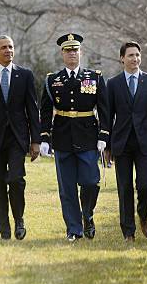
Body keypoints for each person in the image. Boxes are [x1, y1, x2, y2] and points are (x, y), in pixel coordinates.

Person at [40, 33, 109, 242]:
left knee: (91, 182)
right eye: (68, 50)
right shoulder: (53, 80)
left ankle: (87, 215)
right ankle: (74, 229)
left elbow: (104, 108)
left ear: (81, 52)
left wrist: (104, 135)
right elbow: (45, 110)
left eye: (75, 50)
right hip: (62, 138)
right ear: (62, 53)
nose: (72, 53)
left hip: (88, 137)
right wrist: (44, 137)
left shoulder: (94, 77)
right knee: (67, 187)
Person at [0, 35, 41, 240]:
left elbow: (32, 109)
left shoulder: (25, 75)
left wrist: (35, 140)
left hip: (18, 139)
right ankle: (4, 228)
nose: (8, 51)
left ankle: (19, 219)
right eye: (3, 47)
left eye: (11, 47)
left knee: (17, 179)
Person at [106, 41, 147, 241]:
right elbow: (107, 116)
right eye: (130, 55)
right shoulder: (113, 84)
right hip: (121, 143)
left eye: (137, 55)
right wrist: (106, 145)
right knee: (124, 188)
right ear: (122, 58)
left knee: (144, 185)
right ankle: (128, 232)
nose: (135, 59)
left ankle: (142, 214)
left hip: (145, 143)